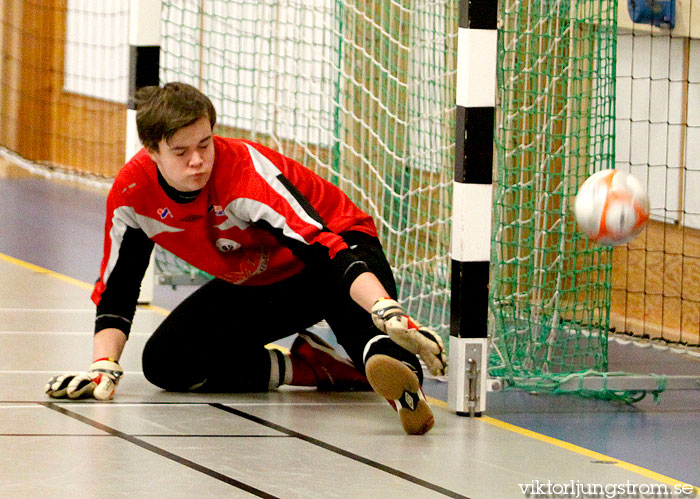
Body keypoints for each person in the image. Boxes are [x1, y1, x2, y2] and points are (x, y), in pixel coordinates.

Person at [45, 82, 447, 435]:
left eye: (205, 144)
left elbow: (322, 249)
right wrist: (103, 365)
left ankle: (394, 373)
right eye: (181, 152)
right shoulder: (132, 194)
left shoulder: (244, 176)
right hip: (263, 281)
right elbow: (118, 289)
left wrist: (384, 307)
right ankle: (314, 368)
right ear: (152, 151)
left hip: (338, 250)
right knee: (166, 364)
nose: (198, 160)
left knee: (371, 339)